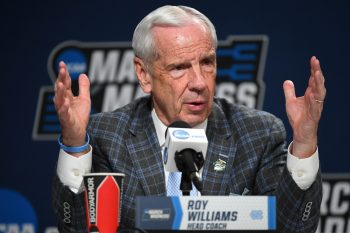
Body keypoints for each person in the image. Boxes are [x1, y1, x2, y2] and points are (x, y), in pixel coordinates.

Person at [52, 5, 326, 232]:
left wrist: (303, 143)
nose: (199, 82)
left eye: (207, 63)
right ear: (144, 74)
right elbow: (74, 228)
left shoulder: (257, 133)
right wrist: (76, 143)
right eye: (179, 67)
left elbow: (292, 228)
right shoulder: (108, 136)